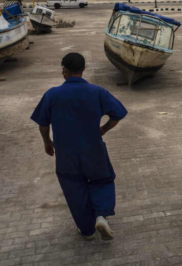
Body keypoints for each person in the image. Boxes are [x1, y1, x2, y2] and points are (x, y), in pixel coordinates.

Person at [31, 53, 128, 240]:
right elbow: (118, 114)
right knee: (102, 180)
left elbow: (43, 124)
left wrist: (47, 141)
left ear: (63, 70)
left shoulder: (52, 94)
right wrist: (104, 129)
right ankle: (101, 215)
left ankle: (86, 229)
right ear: (84, 69)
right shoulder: (97, 92)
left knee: (74, 188)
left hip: (66, 154)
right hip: (94, 149)